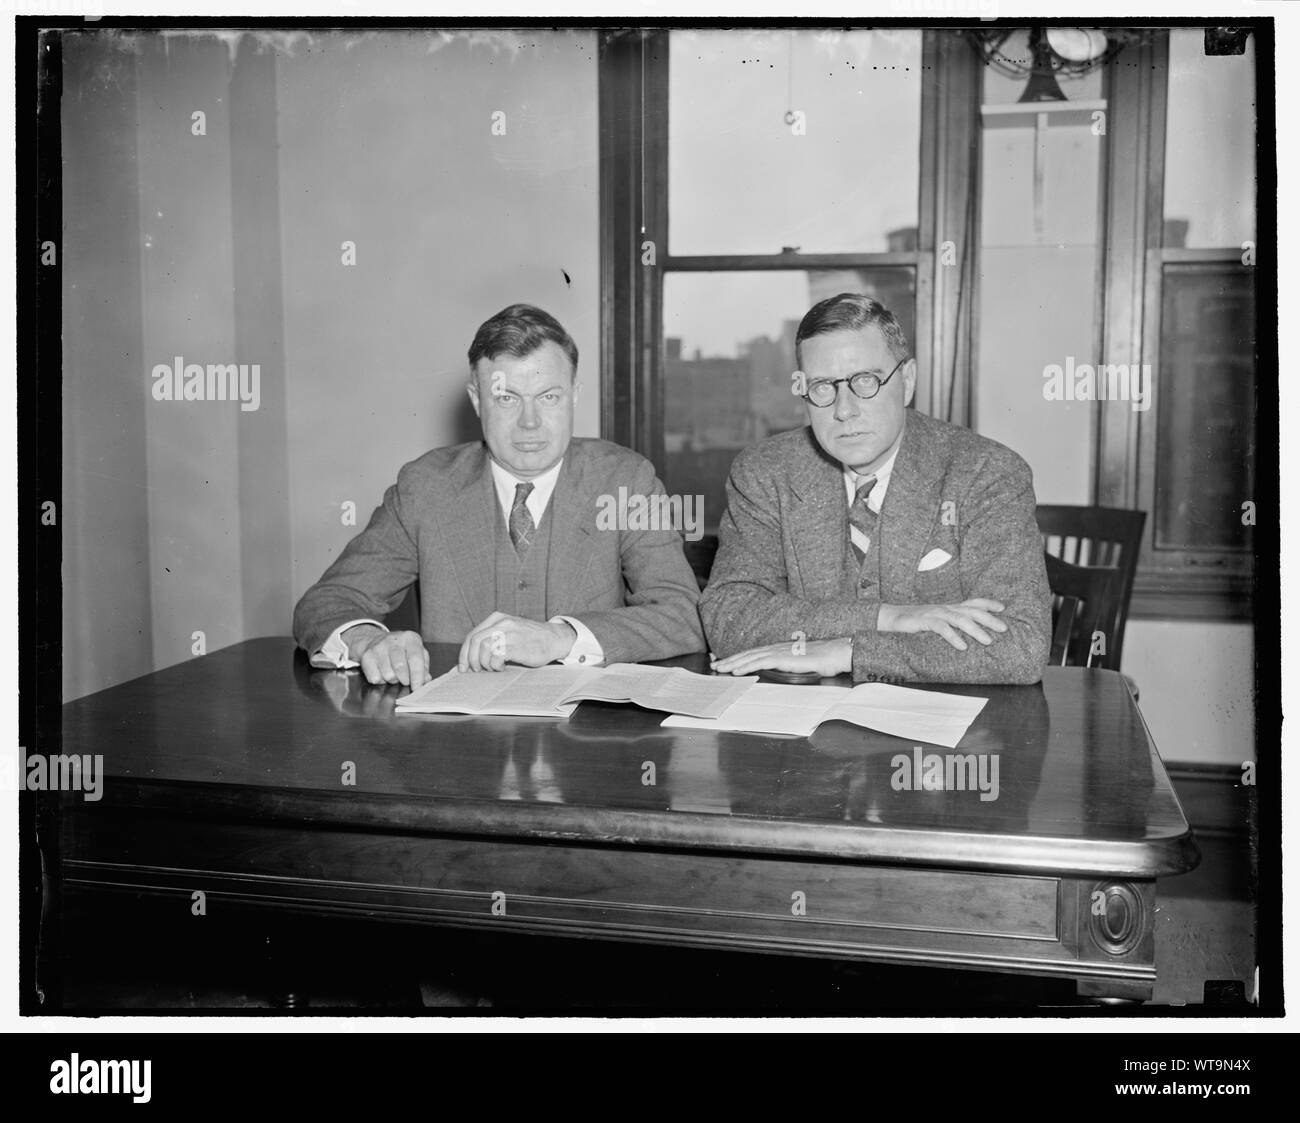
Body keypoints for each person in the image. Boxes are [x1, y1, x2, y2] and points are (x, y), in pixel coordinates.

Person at [294, 304, 705, 687]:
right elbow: (329, 601)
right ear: (477, 400)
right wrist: (369, 643)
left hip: (589, 741)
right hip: (460, 745)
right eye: (507, 399)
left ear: (574, 395)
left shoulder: (625, 481)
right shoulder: (425, 487)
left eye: (548, 397)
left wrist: (559, 638)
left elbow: (682, 616)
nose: (529, 423)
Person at [701, 293, 1050, 685]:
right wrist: (887, 617)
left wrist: (849, 651)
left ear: (907, 381)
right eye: (822, 386)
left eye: (865, 381)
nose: (844, 410)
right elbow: (728, 617)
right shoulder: (766, 472)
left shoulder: (985, 472)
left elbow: (1020, 646)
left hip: (947, 737)